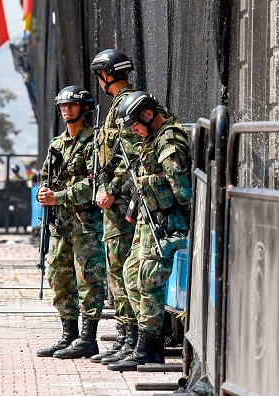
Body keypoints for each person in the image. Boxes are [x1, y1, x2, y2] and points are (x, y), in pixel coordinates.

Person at [107, 91, 191, 371]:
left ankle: (150, 347)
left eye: (135, 126)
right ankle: (139, 342)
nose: (134, 132)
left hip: (166, 220)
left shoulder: (168, 140)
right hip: (149, 216)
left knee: (150, 280)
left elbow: (183, 191)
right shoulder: (151, 139)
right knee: (133, 275)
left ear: (147, 114)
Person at [35, 86, 106, 360]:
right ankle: (69, 335)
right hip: (60, 225)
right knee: (58, 277)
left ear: (84, 108)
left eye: (72, 105)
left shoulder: (94, 142)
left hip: (85, 224)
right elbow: (46, 175)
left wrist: (59, 196)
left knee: (88, 279)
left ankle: (88, 339)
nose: (66, 109)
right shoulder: (57, 143)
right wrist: (44, 191)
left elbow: (95, 184)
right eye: (63, 105)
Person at [88, 48, 140, 364]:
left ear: (107, 74)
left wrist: (112, 187)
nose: (99, 81)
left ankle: (133, 338)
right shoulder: (117, 105)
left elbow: (131, 156)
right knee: (115, 268)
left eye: (100, 75)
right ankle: (124, 337)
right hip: (115, 200)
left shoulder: (127, 105)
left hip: (121, 201)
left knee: (122, 269)